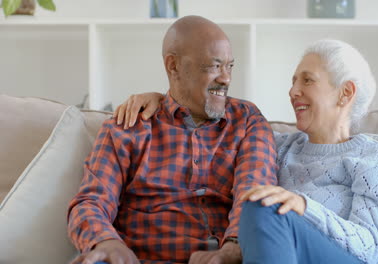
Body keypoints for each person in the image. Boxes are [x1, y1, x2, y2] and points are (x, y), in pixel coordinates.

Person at [115, 39, 378, 263]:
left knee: (262, 204)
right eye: (293, 81)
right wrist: (164, 100)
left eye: (307, 80)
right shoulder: (278, 146)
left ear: (346, 93)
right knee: (259, 202)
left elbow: (369, 247)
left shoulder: (374, 159)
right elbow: (211, 134)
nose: (293, 91)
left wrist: (303, 206)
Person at [67, 16, 278, 264]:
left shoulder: (247, 120)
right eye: (214, 66)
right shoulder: (128, 126)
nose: (226, 78)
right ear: (173, 66)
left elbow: (253, 195)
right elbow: (90, 202)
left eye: (230, 66)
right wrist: (106, 242)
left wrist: (232, 249)